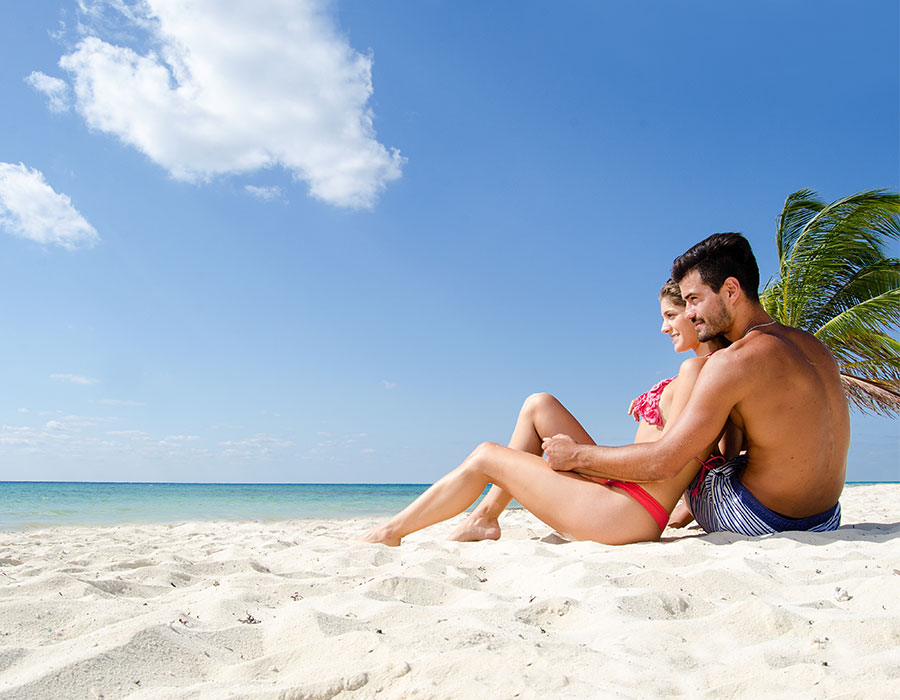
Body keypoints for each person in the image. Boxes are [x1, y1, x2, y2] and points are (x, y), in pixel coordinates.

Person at [360, 281, 731, 546]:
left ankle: (389, 533)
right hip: (626, 495)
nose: (664, 327)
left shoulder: (696, 372)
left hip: (628, 510)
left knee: (487, 455)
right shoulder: (704, 374)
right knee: (539, 404)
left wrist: (580, 458)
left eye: (672, 315)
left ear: (694, 314)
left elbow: (669, 460)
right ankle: (484, 517)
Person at [543, 233, 847, 536]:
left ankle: (628, 507)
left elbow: (664, 463)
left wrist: (575, 455)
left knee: (674, 411)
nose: (689, 314)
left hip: (759, 517)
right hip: (826, 518)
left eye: (694, 300)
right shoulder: (814, 346)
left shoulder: (733, 362)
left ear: (730, 290)